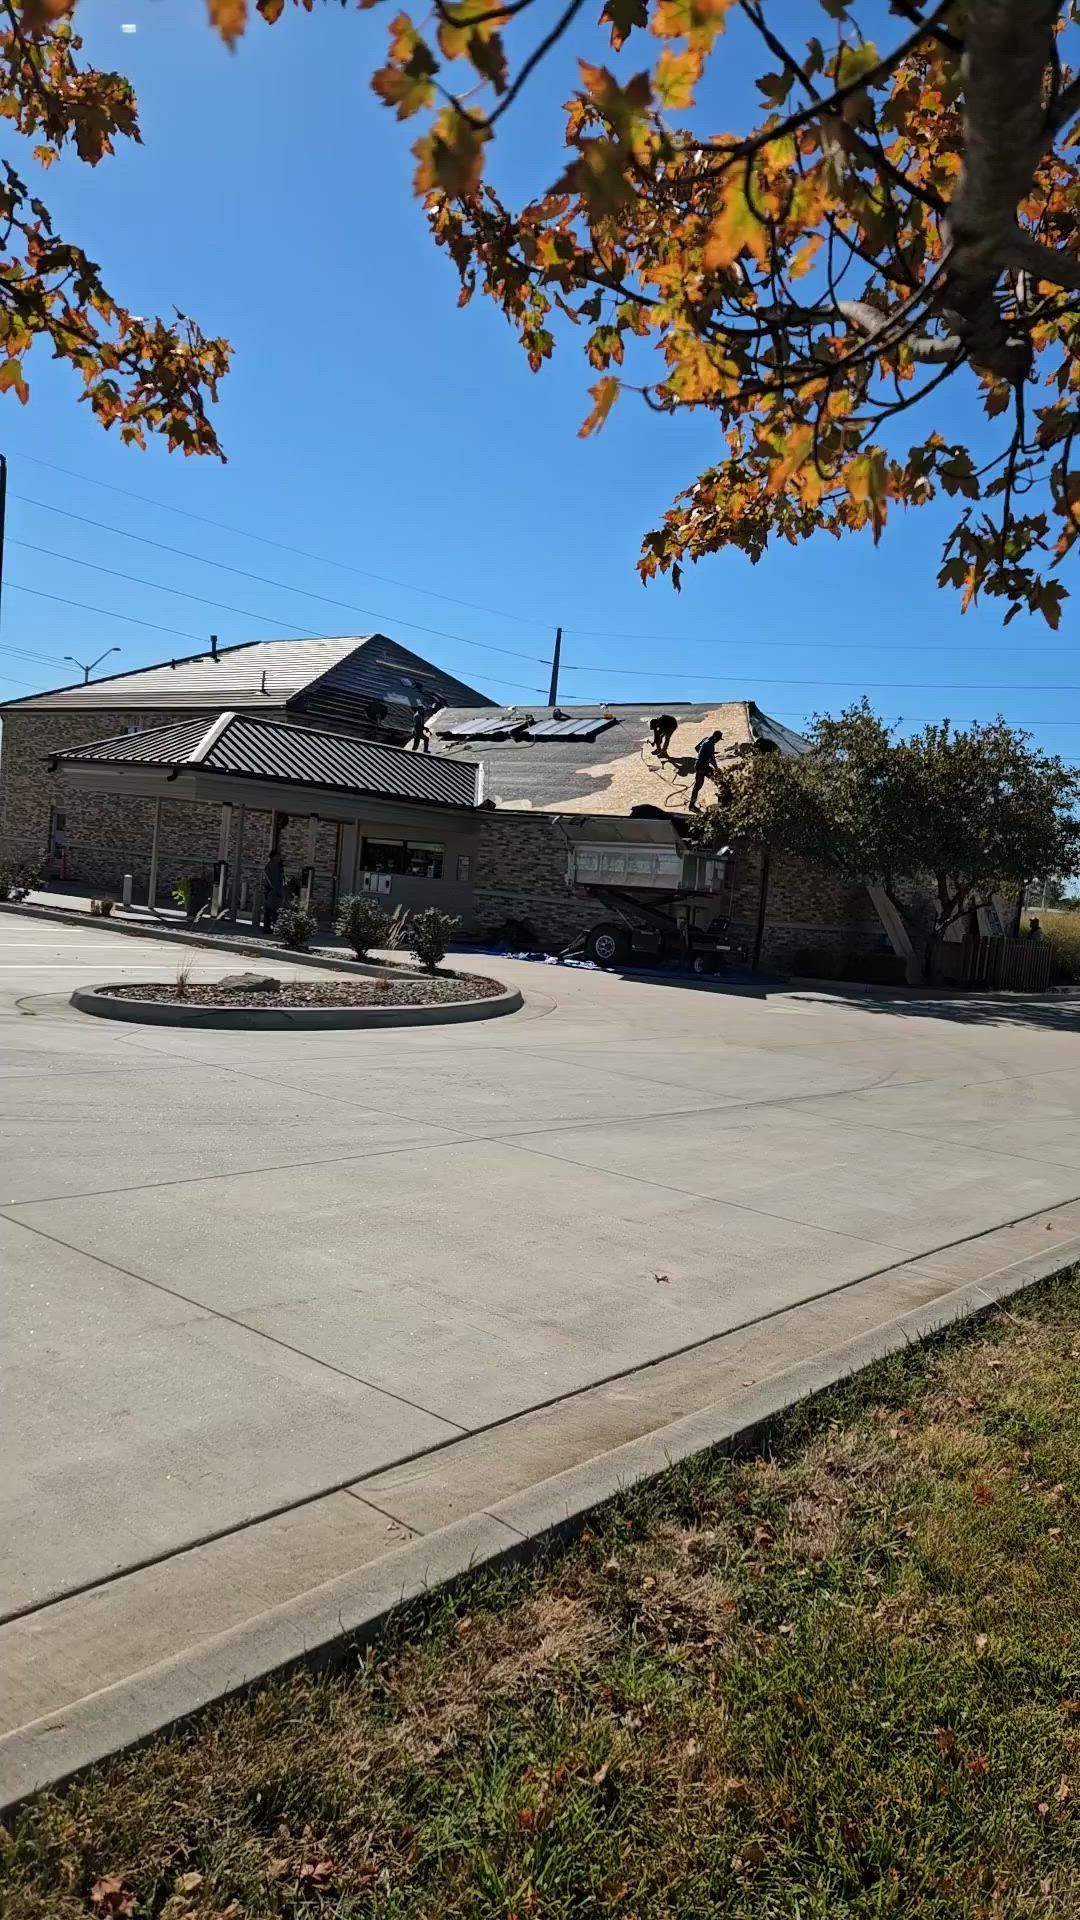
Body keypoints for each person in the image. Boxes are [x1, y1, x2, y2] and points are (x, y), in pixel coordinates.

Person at [688, 730, 723, 811]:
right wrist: (716, 768)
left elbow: (697, 748)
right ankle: (691, 806)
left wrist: (703, 753)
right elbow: (712, 759)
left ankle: (722, 798)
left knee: (717, 779)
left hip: (703, 765)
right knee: (698, 786)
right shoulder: (710, 744)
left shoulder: (706, 739)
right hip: (701, 767)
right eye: (718, 739)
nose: (717, 741)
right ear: (715, 737)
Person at [261, 847, 284, 930]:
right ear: (274, 857)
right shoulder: (271, 866)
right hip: (272, 891)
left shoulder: (277, 866)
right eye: (278, 856)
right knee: (271, 910)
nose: (279, 858)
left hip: (274, 890)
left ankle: (271, 926)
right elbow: (273, 880)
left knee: (273, 910)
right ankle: (269, 927)